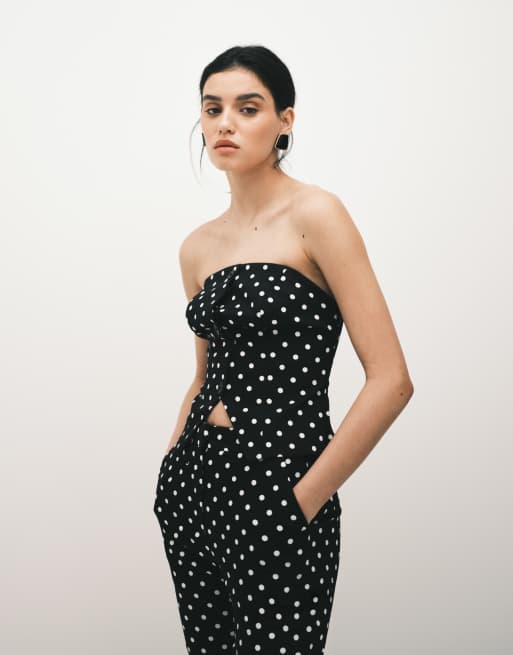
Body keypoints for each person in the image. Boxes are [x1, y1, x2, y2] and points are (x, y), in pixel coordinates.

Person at [153, 44, 414, 655]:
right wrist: (170, 472)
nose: (225, 123)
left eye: (248, 108)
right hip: (192, 487)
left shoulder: (315, 213)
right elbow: (204, 376)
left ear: (284, 121)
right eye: (212, 108)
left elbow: (391, 379)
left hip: (279, 482)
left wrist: (302, 500)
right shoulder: (197, 247)